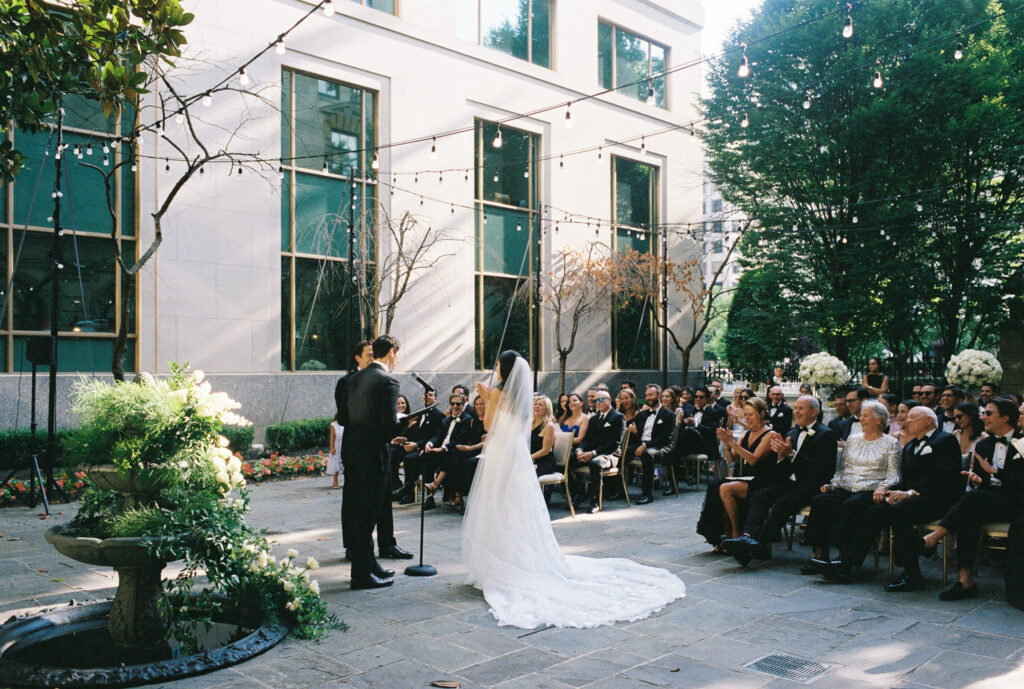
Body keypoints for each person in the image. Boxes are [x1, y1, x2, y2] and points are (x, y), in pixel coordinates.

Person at [463, 351, 686, 628]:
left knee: (499, 505)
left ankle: (501, 561)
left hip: (502, 454)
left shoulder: (496, 394)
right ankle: (515, 558)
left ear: (503, 369)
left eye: (497, 365)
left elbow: (489, 425)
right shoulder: (520, 397)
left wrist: (485, 400)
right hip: (515, 455)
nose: (495, 369)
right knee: (514, 506)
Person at [923, 396, 1024, 600]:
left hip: (1017, 501)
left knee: (971, 502)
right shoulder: (984, 445)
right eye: (983, 412)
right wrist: (978, 479)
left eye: (988, 413)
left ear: (1005, 417)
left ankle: (936, 535)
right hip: (989, 499)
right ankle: (965, 580)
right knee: (968, 515)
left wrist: (995, 471)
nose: (983, 416)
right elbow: (983, 482)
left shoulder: (1022, 443)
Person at [722, 396, 838, 567]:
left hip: (812, 485)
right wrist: (781, 457)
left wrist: (791, 454)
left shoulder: (826, 434)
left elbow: (821, 470)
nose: (796, 411)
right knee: (760, 494)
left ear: (814, 412)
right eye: (795, 408)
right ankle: (747, 537)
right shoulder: (792, 433)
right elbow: (784, 468)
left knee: (782, 504)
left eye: (801, 408)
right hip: (790, 482)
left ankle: (755, 544)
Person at [804, 400, 902, 583]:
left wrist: (883, 487)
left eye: (866, 415)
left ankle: (844, 559)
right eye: (861, 415)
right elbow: (843, 469)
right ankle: (820, 554)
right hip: (847, 485)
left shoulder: (891, 443)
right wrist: (833, 484)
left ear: (879, 420)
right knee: (820, 500)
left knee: (853, 505)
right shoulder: (853, 439)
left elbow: (894, 475)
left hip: (871, 488)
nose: (861, 418)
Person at [335, 334, 404, 590]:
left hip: (352, 452)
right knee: (368, 515)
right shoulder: (387, 381)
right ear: (391, 353)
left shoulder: (351, 379)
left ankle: (370, 565)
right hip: (374, 455)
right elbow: (388, 427)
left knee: (359, 510)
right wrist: (403, 425)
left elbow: (343, 418)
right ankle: (361, 575)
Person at [871, 406, 962, 593]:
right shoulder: (911, 446)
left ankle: (912, 574)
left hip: (939, 498)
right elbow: (904, 478)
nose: (907, 420)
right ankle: (850, 560)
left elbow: (944, 477)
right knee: (877, 507)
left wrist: (911, 493)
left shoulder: (945, 440)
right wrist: (889, 490)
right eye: (907, 417)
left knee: (899, 511)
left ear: (929, 421)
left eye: (913, 417)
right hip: (916, 499)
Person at [700, 398, 778, 549]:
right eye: (745, 415)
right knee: (716, 486)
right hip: (746, 478)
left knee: (725, 488)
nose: (747, 419)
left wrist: (732, 442)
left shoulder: (769, 434)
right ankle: (725, 534)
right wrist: (726, 444)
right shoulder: (746, 434)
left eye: (751, 415)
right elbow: (731, 458)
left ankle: (736, 533)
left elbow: (753, 459)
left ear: (762, 414)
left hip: (763, 480)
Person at [572, 389, 625, 513]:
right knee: (570, 459)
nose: (597, 402)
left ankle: (595, 501)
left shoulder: (618, 417)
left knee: (595, 463)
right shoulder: (594, 419)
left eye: (600, 399)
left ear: (609, 400)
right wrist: (580, 450)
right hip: (593, 452)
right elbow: (587, 439)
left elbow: (615, 443)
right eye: (595, 400)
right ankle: (578, 494)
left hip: (610, 454)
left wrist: (593, 453)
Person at [422, 393, 474, 510]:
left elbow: (461, 439)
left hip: (457, 451)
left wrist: (443, 448)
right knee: (427, 456)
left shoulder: (467, 419)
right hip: (444, 452)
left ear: (463, 404)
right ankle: (429, 498)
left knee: (451, 455)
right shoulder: (446, 420)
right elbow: (438, 436)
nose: (455, 406)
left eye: (458, 404)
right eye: (453, 403)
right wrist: (430, 443)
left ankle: (435, 485)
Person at [628, 384, 676, 504]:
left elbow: (664, 438)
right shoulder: (642, 415)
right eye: (646, 395)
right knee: (621, 451)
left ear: (658, 395)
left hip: (660, 447)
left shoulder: (668, 415)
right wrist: (634, 432)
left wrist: (645, 445)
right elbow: (638, 436)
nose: (648, 397)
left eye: (651, 394)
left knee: (646, 454)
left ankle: (647, 494)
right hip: (641, 444)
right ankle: (618, 489)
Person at [530, 395, 558, 477]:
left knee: (526, 474)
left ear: (547, 409)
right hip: (530, 460)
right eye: (535, 404)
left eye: (540, 405)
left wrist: (529, 458)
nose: (537, 406)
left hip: (544, 462)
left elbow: (546, 450)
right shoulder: (529, 423)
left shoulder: (549, 426)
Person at [952, 400, 986, 466]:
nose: (956, 420)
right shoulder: (955, 434)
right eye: (955, 417)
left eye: (959, 416)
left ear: (970, 415)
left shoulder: (983, 437)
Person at [327, 413, 343, 489]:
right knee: (336, 462)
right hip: (337, 445)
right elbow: (332, 436)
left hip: (344, 445)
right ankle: (335, 481)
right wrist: (332, 447)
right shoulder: (334, 424)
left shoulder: (346, 423)